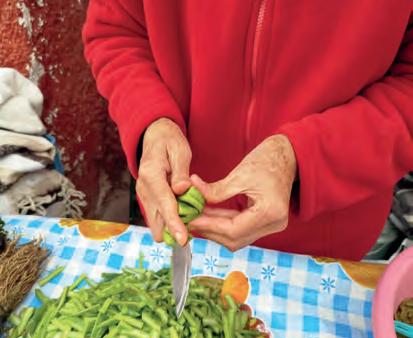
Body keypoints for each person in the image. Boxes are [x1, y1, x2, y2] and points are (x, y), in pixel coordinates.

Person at [83, 1, 413, 260]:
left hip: (325, 244)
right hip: (180, 217)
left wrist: (303, 157)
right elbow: (116, 30)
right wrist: (151, 121)